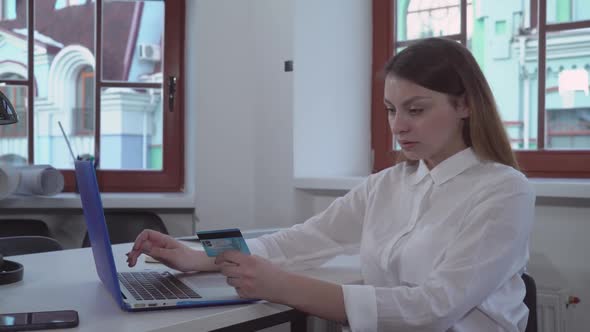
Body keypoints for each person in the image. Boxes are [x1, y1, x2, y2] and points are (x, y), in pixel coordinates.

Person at [126, 37, 535, 331]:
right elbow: (303, 239)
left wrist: (283, 286)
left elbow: (433, 308)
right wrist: (199, 257)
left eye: (416, 109)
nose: (398, 126)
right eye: (392, 110)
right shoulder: (387, 185)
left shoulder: (503, 191)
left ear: (464, 105)